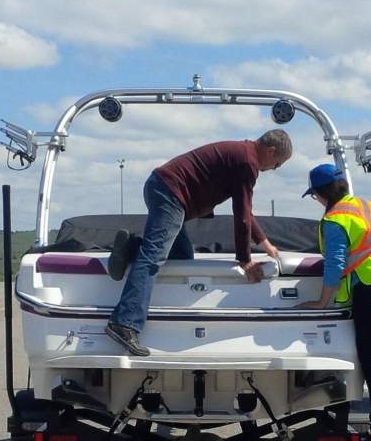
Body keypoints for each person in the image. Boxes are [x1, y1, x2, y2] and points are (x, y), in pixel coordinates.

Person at [104, 130, 293, 356]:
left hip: (165, 188)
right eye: (278, 164)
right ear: (271, 151)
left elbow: (245, 212)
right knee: (153, 258)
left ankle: (131, 248)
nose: (274, 169)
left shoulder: (244, 154)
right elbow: (241, 213)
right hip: (171, 193)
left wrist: (265, 243)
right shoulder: (248, 162)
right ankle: (124, 323)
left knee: (183, 258)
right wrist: (245, 260)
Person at [296, 164, 371, 441]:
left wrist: (322, 301)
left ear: (322, 194)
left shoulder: (335, 219)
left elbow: (334, 263)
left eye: (315, 196)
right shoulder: (367, 206)